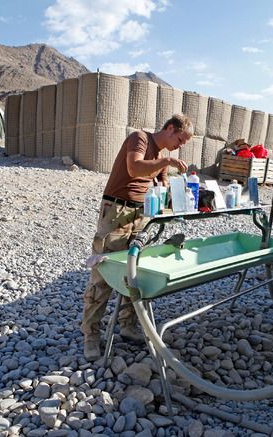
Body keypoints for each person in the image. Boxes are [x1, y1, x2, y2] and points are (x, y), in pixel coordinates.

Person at [82, 114, 194, 361]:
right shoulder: (140, 138)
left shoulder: (161, 158)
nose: (180, 146)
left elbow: (162, 189)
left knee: (133, 273)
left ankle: (127, 325)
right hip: (117, 211)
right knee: (104, 272)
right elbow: (134, 168)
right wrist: (166, 160)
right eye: (180, 139)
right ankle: (91, 336)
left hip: (141, 214)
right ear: (170, 128)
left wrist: (179, 195)